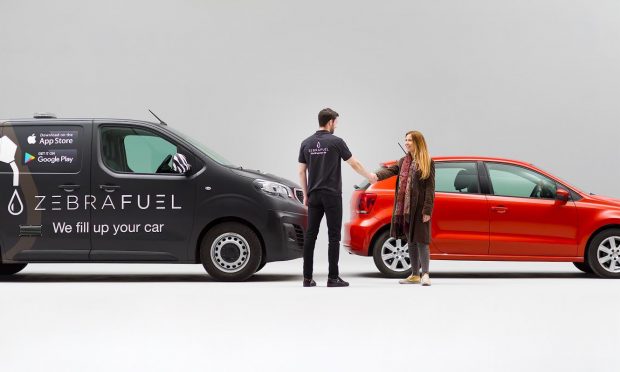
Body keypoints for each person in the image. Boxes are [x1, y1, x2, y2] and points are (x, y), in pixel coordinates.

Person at [298, 108, 377, 287]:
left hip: (314, 195)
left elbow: (301, 171)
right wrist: (369, 176)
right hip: (331, 195)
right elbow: (354, 163)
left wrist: (306, 195)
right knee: (334, 236)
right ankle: (332, 278)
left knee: (311, 235)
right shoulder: (336, 142)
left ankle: (307, 278)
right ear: (330, 122)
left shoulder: (305, 143)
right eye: (336, 123)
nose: (336, 126)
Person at [372, 130, 435, 286]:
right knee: (411, 240)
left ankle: (425, 274)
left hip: (419, 209)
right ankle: (415, 274)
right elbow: (390, 170)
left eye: (410, 140)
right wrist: (375, 175)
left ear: (418, 142)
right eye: (405, 140)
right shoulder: (402, 161)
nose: (406, 142)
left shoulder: (427, 161)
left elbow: (430, 188)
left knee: (422, 241)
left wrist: (427, 210)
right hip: (405, 210)